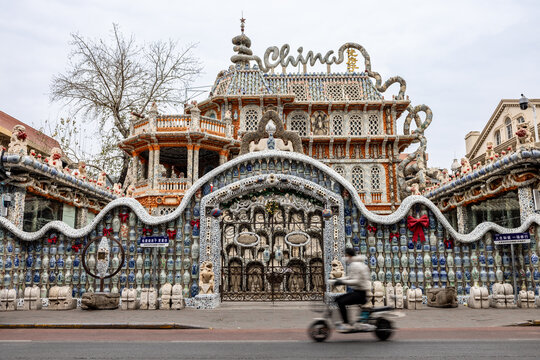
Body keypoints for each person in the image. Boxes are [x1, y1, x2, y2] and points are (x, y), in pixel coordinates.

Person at [331, 248, 372, 332]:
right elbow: (350, 277)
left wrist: (342, 282)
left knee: (341, 301)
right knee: (338, 299)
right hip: (358, 292)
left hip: (361, 294)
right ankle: (348, 322)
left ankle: (346, 324)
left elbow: (356, 281)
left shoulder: (356, 265)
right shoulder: (354, 264)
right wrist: (337, 280)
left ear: (349, 256)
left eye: (346, 255)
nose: (345, 257)